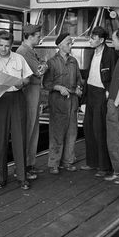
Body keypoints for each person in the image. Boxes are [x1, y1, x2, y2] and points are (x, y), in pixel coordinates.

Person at [0, 29, 33, 190]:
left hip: (17, 98)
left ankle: (22, 177)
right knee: (1, 139)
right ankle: (1, 178)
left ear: (12, 45)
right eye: (1, 45)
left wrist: (22, 82)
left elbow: (27, 78)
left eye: (7, 46)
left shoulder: (19, 58)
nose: (4, 49)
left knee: (20, 138)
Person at [43, 32, 83, 174]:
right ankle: (54, 163)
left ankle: (68, 161)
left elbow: (79, 79)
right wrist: (58, 87)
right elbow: (46, 83)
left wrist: (79, 88)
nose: (71, 45)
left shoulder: (73, 61)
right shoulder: (52, 62)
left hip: (72, 101)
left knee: (72, 132)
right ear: (60, 45)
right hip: (58, 102)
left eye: (71, 43)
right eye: (68, 43)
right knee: (57, 133)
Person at [82, 26, 118, 177]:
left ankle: (104, 166)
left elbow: (115, 74)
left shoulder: (111, 54)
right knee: (88, 128)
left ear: (102, 40)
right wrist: (83, 98)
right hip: (90, 91)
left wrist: (108, 92)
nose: (90, 40)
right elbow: (89, 75)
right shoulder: (91, 52)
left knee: (100, 129)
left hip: (101, 93)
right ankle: (92, 162)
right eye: (90, 37)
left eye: (93, 38)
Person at [15, 23, 48, 178]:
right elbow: (40, 71)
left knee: (33, 128)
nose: (40, 37)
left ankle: (29, 164)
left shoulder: (30, 51)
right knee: (29, 129)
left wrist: (43, 65)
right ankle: (24, 167)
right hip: (28, 93)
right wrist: (44, 65)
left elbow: (41, 68)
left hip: (34, 92)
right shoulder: (24, 52)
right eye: (38, 35)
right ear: (30, 36)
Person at [104, 27, 119, 185]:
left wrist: (116, 103)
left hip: (118, 105)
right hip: (117, 102)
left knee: (115, 140)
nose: (112, 43)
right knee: (117, 139)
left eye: (113, 40)